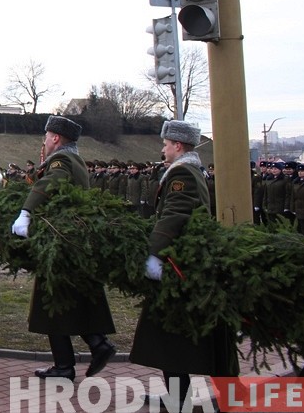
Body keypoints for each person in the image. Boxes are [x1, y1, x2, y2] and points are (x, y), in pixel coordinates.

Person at [130, 120, 239, 413]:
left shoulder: (182, 173)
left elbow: (175, 214)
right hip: (183, 261)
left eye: (166, 144)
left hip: (178, 265)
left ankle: (182, 399)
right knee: (176, 335)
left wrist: (154, 253)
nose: (163, 149)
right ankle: (185, 396)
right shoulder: (190, 170)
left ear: (177, 145)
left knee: (171, 333)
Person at [11, 115, 116, 381]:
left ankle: (65, 365)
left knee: (51, 302)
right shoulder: (74, 159)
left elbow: (51, 183)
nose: (44, 140)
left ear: (56, 138)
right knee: (72, 297)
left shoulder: (61, 160)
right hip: (71, 239)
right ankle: (97, 344)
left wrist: (26, 211)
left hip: (60, 240)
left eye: (46, 136)